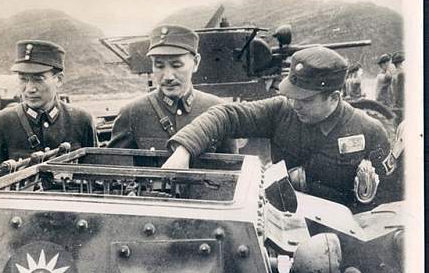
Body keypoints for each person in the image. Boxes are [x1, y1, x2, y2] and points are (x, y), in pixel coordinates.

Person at [163, 46, 391, 209]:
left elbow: (390, 201)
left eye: (305, 99)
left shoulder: (369, 131)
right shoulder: (282, 111)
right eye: (291, 96)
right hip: (283, 227)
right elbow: (226, 115)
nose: (294, 104)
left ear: (333, 97)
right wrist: (184, 150)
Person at [107, 24, 236, 153]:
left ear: (196, 62)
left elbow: (232, 170)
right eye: (159, 65)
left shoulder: (219, 111)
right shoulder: (131, 113)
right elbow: (116, 168)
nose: (168, 76)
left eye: (176, 65)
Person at [0, 40, 95, 173]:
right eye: (23, 79)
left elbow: (94, 179)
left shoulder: (82, 121)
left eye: (38, 79)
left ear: (59, 79)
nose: (29, 89)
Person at [390, 51, 405, 116]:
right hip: (400, 103)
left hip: (396, 102)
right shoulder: (401, 73)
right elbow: (399, 91)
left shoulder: (395, 73)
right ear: (400, 63)